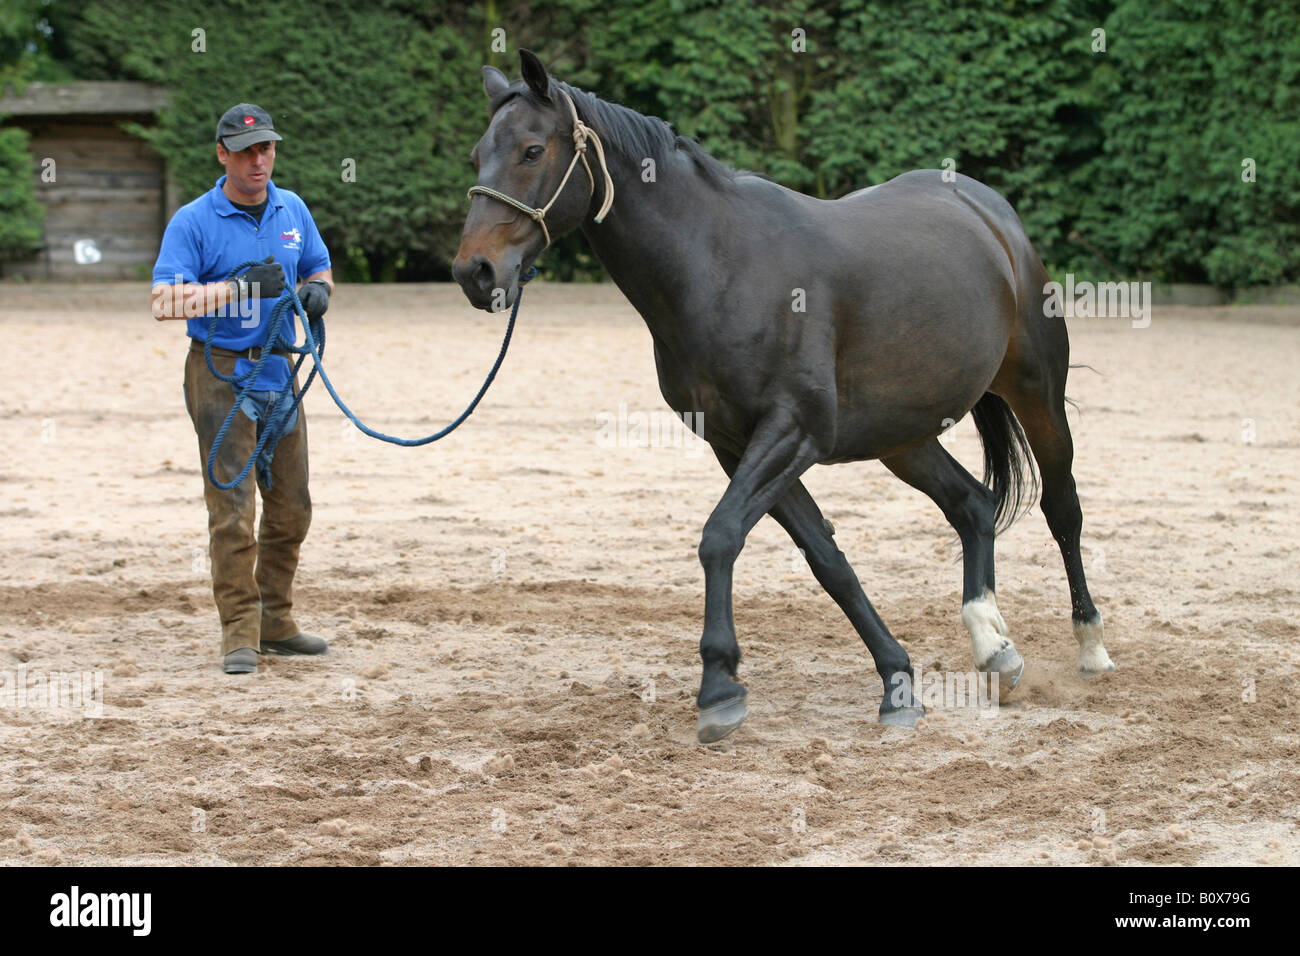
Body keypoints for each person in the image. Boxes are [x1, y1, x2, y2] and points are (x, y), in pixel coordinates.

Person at [151, 103, 334, 674]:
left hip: (280, 369)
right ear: (222, 153)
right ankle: (239, 632)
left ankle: (275, 620)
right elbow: (164, 302)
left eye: (267, 148)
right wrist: (235, 289)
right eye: (247, 150)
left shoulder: (292, 207)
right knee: (232, 509)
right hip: (218, 370)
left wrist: (319, 291)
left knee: (293, 507)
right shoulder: (192, 220)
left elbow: (318, 266)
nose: (259, 160)